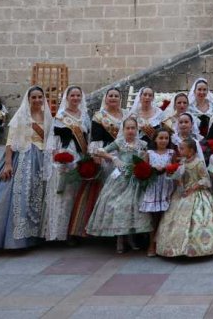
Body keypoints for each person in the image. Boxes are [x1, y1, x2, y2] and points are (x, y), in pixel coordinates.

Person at [0, 86, 53, 249]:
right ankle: (15, 238)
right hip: (23, 157)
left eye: (40, 97)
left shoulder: (47, 116)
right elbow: (10, 141)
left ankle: (38, 236)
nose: (37, 100)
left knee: (38, 198)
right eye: (33, 97)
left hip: (42, 160)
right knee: (17, 197)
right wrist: (7, 163)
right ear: (28, 99)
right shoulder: (21, 115)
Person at [86, 117, 153, 253]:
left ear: (137, 129)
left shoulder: (143, 144)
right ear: (123, 129)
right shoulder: (119, 142)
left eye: (133, 128)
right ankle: (120, 239)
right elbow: (99, 151)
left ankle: (131, 238)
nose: (130, 131)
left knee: (132, 207)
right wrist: (113, 158)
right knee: (118, 205)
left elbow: (147, 159)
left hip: (135, 179)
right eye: (128, 128)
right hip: (120, 178)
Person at [69, 87, 123, 239]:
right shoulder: (99, 116)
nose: (113, 98)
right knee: (105, 192)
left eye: (116, 96)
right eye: (110, 96)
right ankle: (103, 230)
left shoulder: (126, 114)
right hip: (106, 155)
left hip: (123, 155)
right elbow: (95, 139)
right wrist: (97, 155)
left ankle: (119, 230)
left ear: (120, 99)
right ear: (106, 98)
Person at [155, 137, 213, 257]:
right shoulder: (182, 162)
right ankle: (175, 247)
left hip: (197, 193)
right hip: (182, 193)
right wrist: (178, 180)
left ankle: (197, 247)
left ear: (191, 151)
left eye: (182, 148)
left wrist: (194, 187)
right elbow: (180, 177)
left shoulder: (198, 162)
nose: (179, 150)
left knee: (198, 219)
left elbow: (206, 179)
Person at [43, 86, 90, 243]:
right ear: (67, 97)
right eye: (72, 95)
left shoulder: (85, 116)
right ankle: (59, 232)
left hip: (79, 156)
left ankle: (74, 231)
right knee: (63, 194)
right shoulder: (60, 116)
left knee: (77, 194)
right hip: (65, 156)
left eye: (78, 95)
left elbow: (88, 138)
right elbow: (53, 138)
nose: (75, 98)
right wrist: (55, 157)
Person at [140, 128, 176, 257]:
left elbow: (176, 169)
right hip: (153, 188)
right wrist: (152, 169)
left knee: (164, 217)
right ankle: (152, 244)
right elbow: (143, 170)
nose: (163, 140)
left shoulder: (171, 153)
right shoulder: (149, 153)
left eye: (166, 138)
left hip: (166, 187)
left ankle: (163, 244)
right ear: (155, 139)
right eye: (161, 138)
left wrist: (168, 169)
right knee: (153, 218)